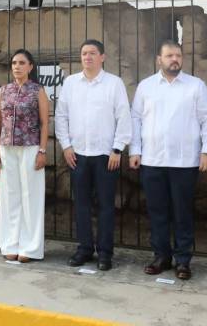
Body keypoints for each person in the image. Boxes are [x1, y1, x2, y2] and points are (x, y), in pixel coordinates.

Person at [129, 40, 207, 280]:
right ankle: (161, 257)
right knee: (157, 211)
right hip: (152, 160)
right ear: (159, 59)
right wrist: (134, 150)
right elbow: (135, 119)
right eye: (169, 55)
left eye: (178, 55)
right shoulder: (146, 86)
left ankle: (183, 260)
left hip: (185, 162)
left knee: (182, 213)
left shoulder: (196, 86)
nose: (174, 59)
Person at [55, 39, 132, 270]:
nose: (87, 57)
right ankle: (84, 248)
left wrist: (117, 148)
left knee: (106, 205)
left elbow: (123, 116)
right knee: (81, 204)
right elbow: (61, 116)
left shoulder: (114, 83)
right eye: (84, 53)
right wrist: (66, 146)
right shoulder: (70, 83)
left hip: (106, 156)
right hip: (77, 155)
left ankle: (105, 253)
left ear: (102, 57)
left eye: (92, 53)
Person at [0, 49, 49, 262]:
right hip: (7, 148)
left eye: (22, 63)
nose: (17, 66)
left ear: (30, 67)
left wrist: (42, 150)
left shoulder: (37, 90)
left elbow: (45, 122)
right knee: (10, 196)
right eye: (14, 63)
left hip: (31, 147)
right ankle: (10, 244)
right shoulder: (4, 90)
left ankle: (30, 248)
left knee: (31, 196)